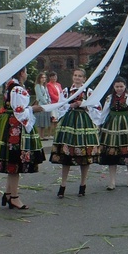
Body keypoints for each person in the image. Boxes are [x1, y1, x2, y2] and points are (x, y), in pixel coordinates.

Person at [0, 66, 46, 210]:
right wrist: (33, 109)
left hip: (8, 123)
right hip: (14, 127)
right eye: (25, 72)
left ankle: (8, 194)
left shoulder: (10, 85)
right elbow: (19, 111)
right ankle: (14, 197)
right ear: (21, 73)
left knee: (12, 161)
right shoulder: (17, 88)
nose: (26, 75)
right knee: (15, 161)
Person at [49, 68, 102, 198]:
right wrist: (70, 106)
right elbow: (60, 105)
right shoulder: (67, 91)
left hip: (84, 123)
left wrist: (83, 104)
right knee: (66, 154)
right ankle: (63, 185)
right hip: (69, 123)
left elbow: (97, 107)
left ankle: (83, 185)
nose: (77, 78)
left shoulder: (89, 92)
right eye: (75, 75)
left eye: (80, 76)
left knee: (85, 155)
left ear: (84, 79)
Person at [99, 76, 128, 190]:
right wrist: (99, 124)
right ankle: (112, 181)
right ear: (114, 87)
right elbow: (104, 112)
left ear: (125, 86)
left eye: (121, 86)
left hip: (127, 126)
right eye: (117, 86)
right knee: (111, 153)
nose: (119, 89)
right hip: (112, 127)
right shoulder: (110, 98)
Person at [33, 72, 53, 140]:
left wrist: (49, 101)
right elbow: (40, 96)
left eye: (44, 77)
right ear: (39, 78)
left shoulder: (44, 86)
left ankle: (43, 135)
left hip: (47, 105)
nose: (43, 79)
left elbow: (47, 95)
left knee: (44, 121)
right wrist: (45, 102)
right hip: (41, 104)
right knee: (40, 121)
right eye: (42, 77)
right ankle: (39, 135)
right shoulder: (37, 86)